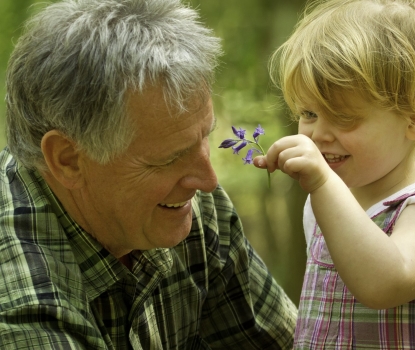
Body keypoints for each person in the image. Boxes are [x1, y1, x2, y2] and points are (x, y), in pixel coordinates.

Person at [0, 0, 297, 348]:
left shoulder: (189, 207)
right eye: (168, 158)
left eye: (205, 137)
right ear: (68, 160)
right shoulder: (20, 301)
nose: (208, 181)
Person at [254, 0, 415, 348]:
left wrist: (324, 184)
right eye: (309, 113)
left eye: (344, 117)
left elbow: (385, 283)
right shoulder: (324, 207)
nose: (318, 135)